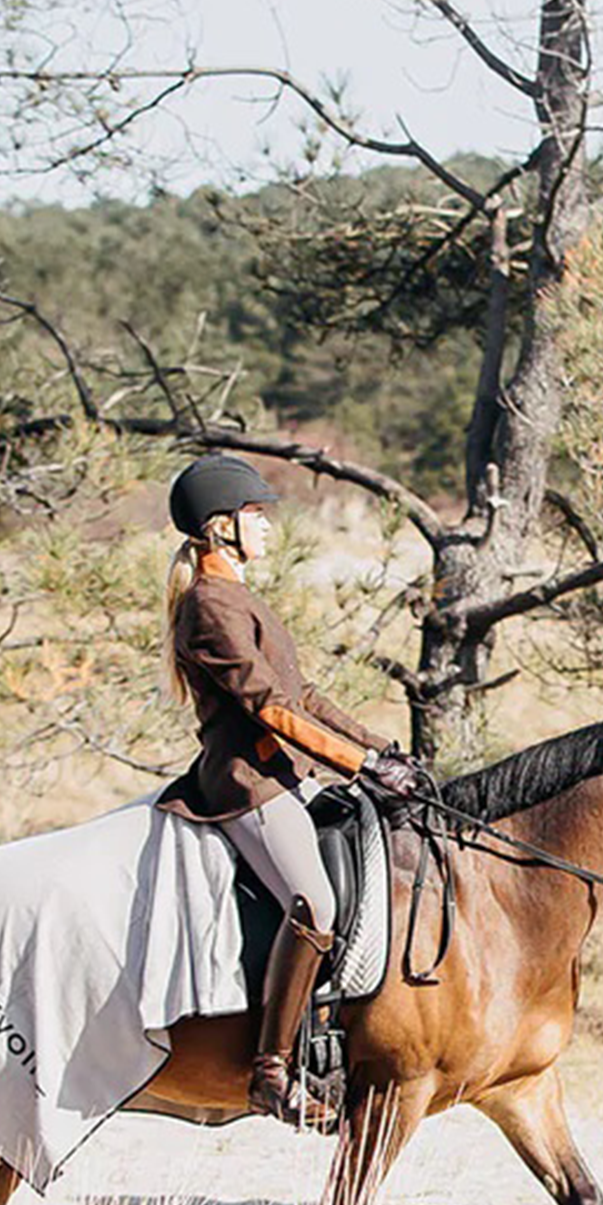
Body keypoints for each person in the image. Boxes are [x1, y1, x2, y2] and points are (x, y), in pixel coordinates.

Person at [157, 453, 421, 1126]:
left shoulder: (237, 596)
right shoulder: (208, 606)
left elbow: (303, 695)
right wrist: (358, 769)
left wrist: (379, 749)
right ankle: (271, 1071)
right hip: (247, 784)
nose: (268, 527)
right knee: (317, 902)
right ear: (220, 527)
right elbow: (269, 709)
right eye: (255, 516)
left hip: (282, 776)